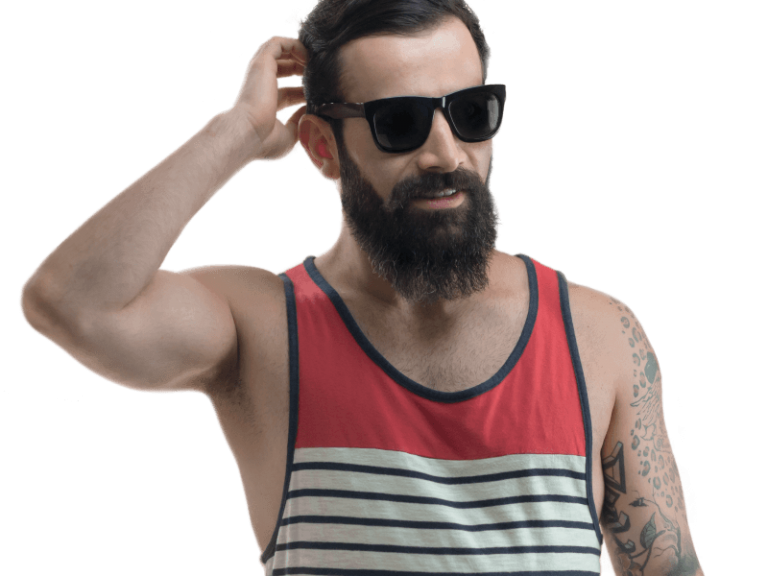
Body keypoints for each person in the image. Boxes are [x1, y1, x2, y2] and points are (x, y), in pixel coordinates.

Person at [18, 1, 705, 574]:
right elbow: (71, 302)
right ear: (323, 148)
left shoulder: (599, 336)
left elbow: (669, 568)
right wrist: (236, 131)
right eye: (399, 123)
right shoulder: (263, 332)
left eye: (471, 113)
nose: (445, 153)